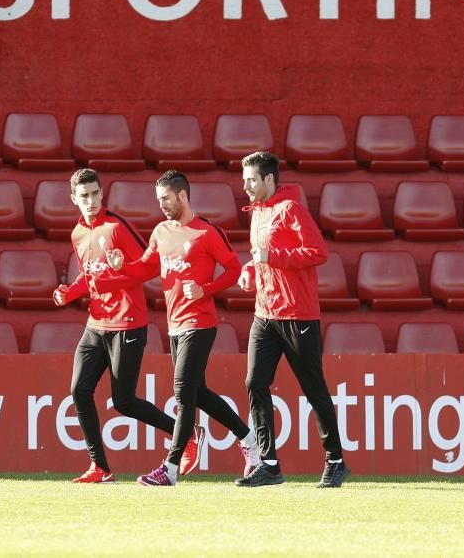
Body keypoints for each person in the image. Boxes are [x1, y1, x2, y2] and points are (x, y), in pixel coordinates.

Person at [97, 170, 261, 486]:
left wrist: (206, 289)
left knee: (183, 392)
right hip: (175, 325)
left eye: (165, 199)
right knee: (197, 393)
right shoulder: (161, 231)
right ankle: (250, 441)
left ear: (182, 196)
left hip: (200, 323)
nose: (162, 206)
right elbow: (146, 267)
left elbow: (233, 270)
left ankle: (170, 468)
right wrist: (122, 267)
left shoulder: (206, 232)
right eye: (159, 200)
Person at [52, 168, 196, 483]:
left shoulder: (116, 227)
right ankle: (100, 468)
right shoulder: (78, 233)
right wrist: (69, 292)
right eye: (83, 196)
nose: (89, 201)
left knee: (124, 401)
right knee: (79, 389)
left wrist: (115, 273)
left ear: (101, 194)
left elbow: (149, 268)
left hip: (127, 323)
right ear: (74, 199)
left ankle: (183, 433)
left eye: (94, 194)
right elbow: (89, 276)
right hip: (96, 323)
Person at [235, 151, 350, 488]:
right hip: (264, 313)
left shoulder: (291, 209)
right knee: (255, 383)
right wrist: (249, 269)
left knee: (314, 390)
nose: (246, 186)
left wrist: (274, 257)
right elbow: (261, 256)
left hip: (297, 313)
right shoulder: (257, 213)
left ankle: (335, 459)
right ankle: (268, 463)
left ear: (269, 179)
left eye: (251, 180)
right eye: (244, 180)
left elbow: (318, 252)